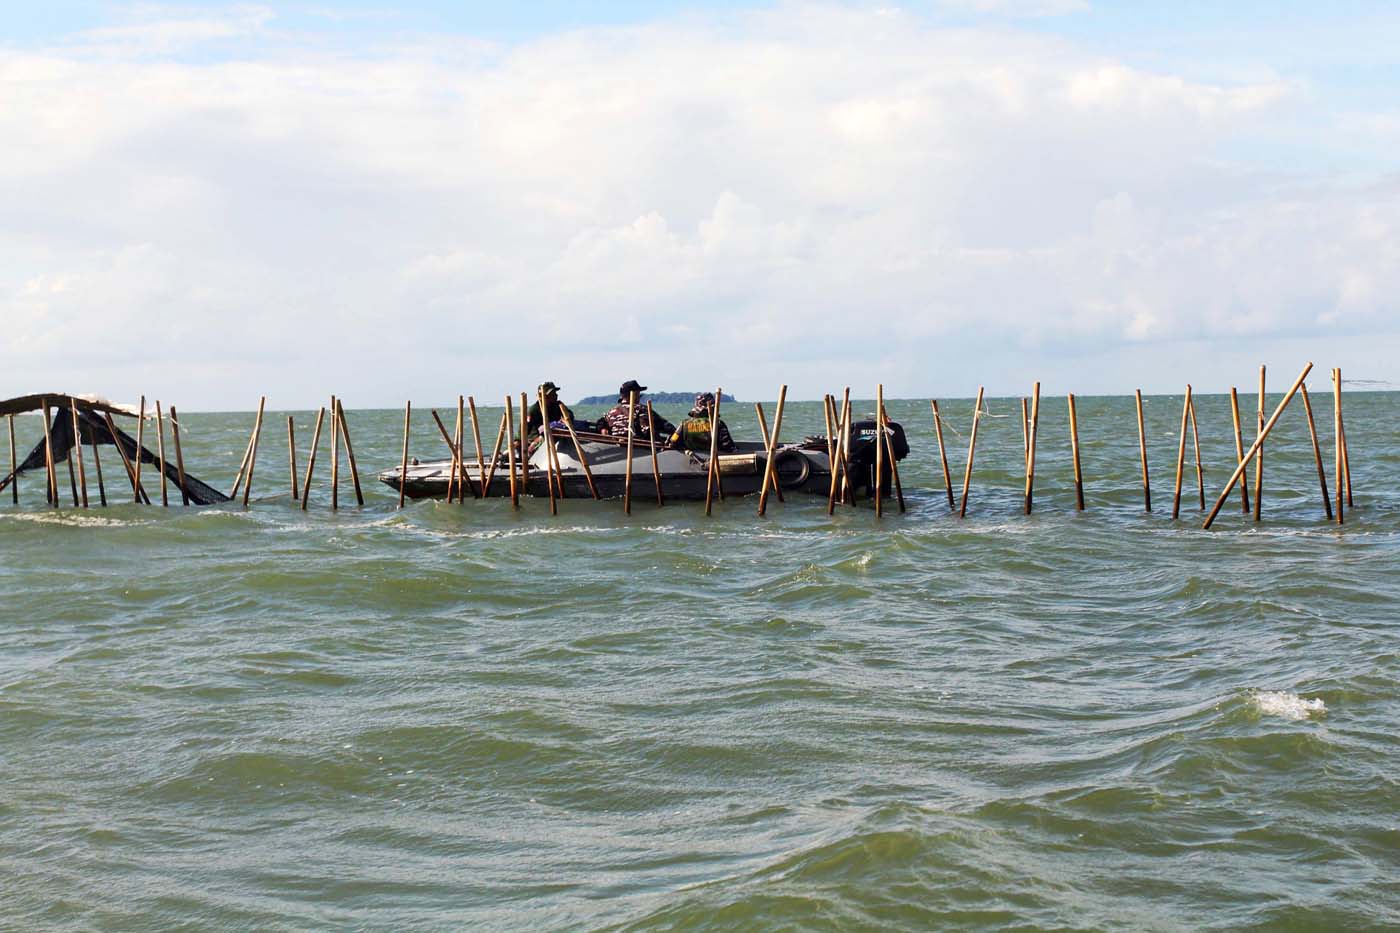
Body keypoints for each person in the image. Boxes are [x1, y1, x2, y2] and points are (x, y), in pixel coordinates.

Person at [599, 380, 675, 442]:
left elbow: (600, 424)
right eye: (639, 393)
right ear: (635, 394)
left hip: (617, 445)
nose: (639, 396)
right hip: (639, 447)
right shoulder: (643, 409)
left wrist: (603, 429)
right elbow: (666, 426)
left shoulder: (611, 412)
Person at [671, 392, 736, 453]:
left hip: (690, 457)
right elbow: (728, 446)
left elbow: (673, 441)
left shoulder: (684, 424)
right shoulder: (718, 423)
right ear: (712, 407)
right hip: (713, 457)